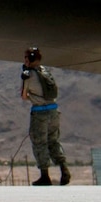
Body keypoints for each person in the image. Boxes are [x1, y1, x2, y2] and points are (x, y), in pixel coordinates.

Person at [22, 47, 69, 186]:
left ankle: (44, 175)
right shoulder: (46, 71)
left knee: (39, 143)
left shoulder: (28, 75)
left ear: (28, 59)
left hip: (39, 113)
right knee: (53, 141)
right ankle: (64, 169)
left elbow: (24, 96)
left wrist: (31, 95)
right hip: (54, 112)